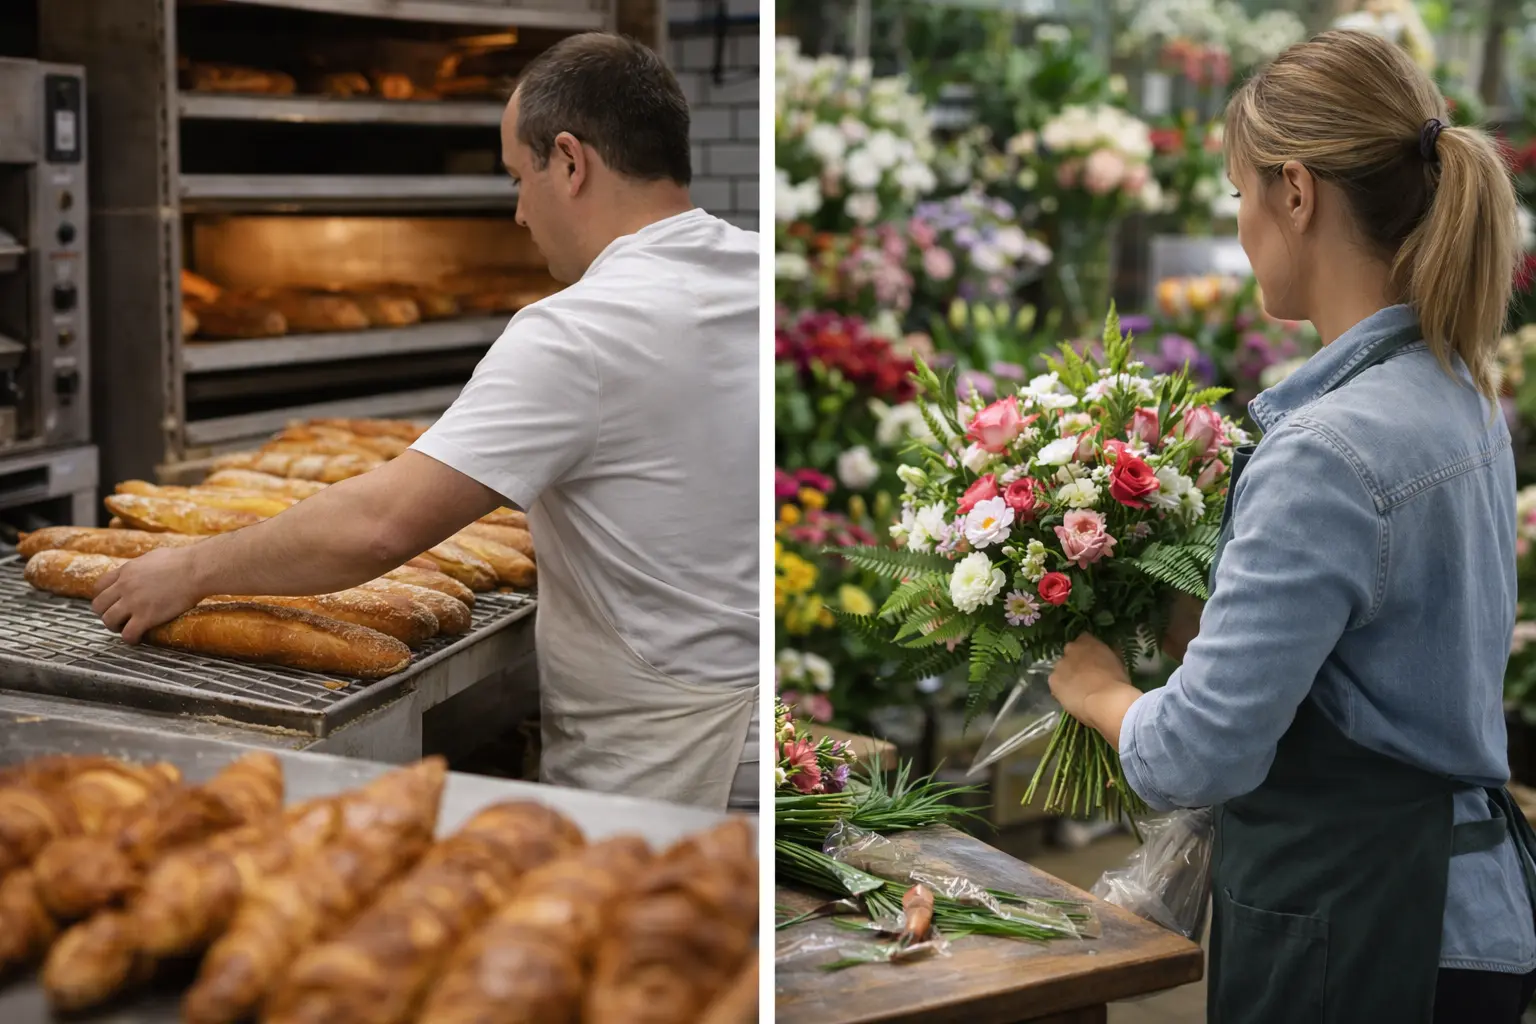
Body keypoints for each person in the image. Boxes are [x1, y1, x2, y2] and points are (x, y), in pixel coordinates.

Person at [90, 32, 760, 813]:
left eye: (518, 177)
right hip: (770, 732)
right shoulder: (754, 268)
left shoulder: (580, 330)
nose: (519, 212)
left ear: (570, 162)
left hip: (673, 773)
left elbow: (379, 526)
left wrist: (189, 570)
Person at [1046, 30, 1536, 1024]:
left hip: (1365, 932)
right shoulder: (1458, 393)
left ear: (1297, 193)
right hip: (1470, 913)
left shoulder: (1325, 449)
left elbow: (1198, 756)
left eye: (1241, 194)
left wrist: (1095, 688)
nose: (1239, 226)